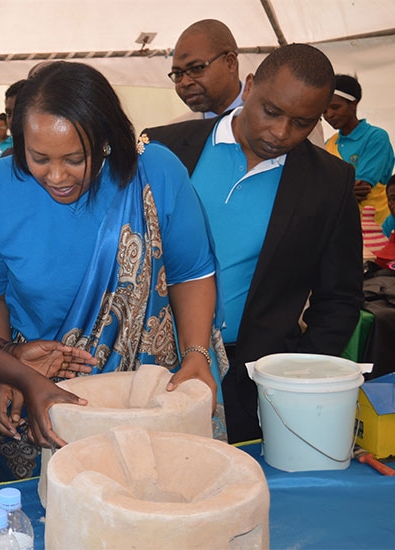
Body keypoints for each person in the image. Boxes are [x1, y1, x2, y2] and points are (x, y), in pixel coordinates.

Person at [0, 61, 224, 481]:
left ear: (105, 140)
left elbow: (189, 273)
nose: (57, 176)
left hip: (150, 388)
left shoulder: (154, 172)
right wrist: (6, 366)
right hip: (41, 384)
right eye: (39, 158)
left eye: (74, 158)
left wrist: (196, 354)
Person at [145, 44, 363, 443]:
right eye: (271, 111)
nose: (281, 133)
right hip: (144, 370)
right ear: (248, 87)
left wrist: (288, 375)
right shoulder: (161, 149)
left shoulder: (329, 183)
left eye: (302, 122)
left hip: (247, 382)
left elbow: (340, 298)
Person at [169, 19, 324, 145]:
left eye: (196, 68)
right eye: (177, 74)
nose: (184, 82)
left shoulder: (292, 123)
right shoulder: (174, 133)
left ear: (230, 62)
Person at [325, 74, 395, 225]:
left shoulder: (375, 137)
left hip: (375, 226)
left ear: (353, 104)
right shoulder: (329, 144)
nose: (329, 115)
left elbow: (362, 189)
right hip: (342, 226)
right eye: (324, 111)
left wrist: (329, 193)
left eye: (335, 107)